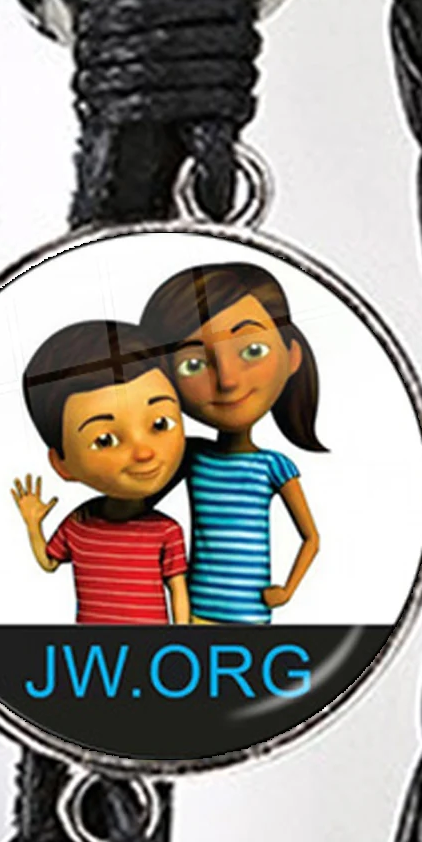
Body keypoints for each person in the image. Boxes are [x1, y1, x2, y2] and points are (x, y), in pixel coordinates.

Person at [137, 263, 323, 623]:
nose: (227, 380)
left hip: (250, 616)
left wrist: (287, 590)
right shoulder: (192, 456)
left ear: (292, 357)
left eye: (252, 350)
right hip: (193, 611)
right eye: (193, 365)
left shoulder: (274, 466)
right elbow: (138, 510)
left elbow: (311, 538)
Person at [7, 318, 191, 625]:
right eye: (105, 440)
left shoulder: (166, 531)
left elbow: (178, 590)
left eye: (160, 424)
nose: (144, 453)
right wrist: (33, 524)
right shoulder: (78, 525)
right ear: (62, 464)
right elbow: (49, 562)